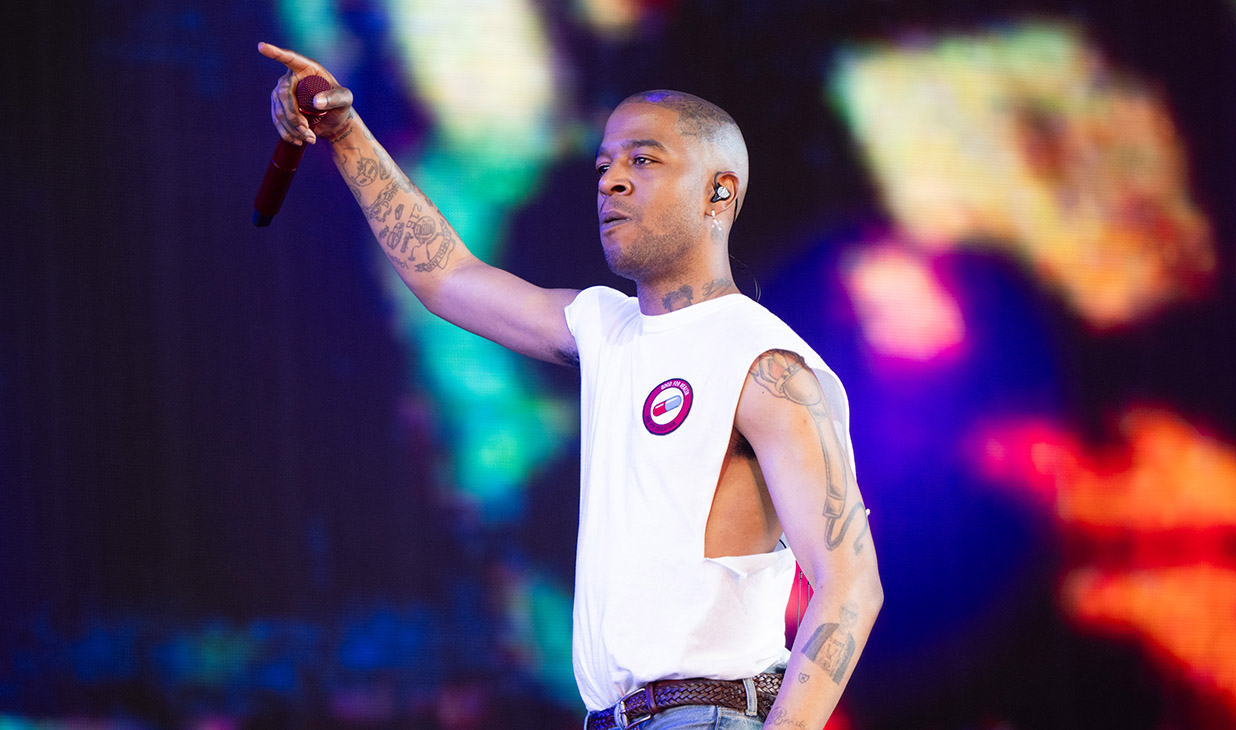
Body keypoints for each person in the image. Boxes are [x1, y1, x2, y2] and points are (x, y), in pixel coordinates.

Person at [258, 42, 883, 730]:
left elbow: (849, 581)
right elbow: (445, 276)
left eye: (643, 160)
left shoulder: (766, 364)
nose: (611, 180)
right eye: (604, 165)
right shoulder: (606, 328)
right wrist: (347, 134)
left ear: (719, 190)